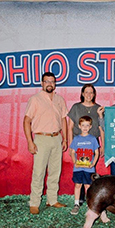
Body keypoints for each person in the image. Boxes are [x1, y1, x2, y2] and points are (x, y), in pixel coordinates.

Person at [23, 72, 68, 215]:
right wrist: (30, 142)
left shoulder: (60, 99)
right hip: (41, 138)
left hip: (57, 138)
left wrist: (65, 139)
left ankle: (52, 199)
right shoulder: (35, 99)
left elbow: (63, 120)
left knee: (55, 171)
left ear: (55, 84)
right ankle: (35, 202)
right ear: (42, 83)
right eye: (47, 81)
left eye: (52, 81)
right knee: (39, 172)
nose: (50, 84)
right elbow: (26, 121)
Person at [68, 84, 104, 206]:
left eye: (91, 92)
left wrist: (102, 145)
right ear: (82, 93)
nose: (89, 95)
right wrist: (69, 143)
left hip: (92, 143)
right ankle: (79, 199)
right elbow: (70, 127)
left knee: (89, 170)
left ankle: (89, 199)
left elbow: (101, 127)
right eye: (86, 92)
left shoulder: (98, 108)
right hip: (78, 143)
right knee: (79, 169)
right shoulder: (76, 107)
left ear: (94, 94)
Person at [69, 116, 99, 215]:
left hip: (89, 169)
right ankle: (76, 204)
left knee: (88, 186)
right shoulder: (76, 139)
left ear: (90, 126)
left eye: (87, 125)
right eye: (83, 125)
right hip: (78, 168)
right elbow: (72, 152)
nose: (85, 127)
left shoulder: (93, 139)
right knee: (78, 185)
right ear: (79, 126)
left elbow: (97, 152)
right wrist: (75, 162)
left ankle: (90, 205)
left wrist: (93, 164)